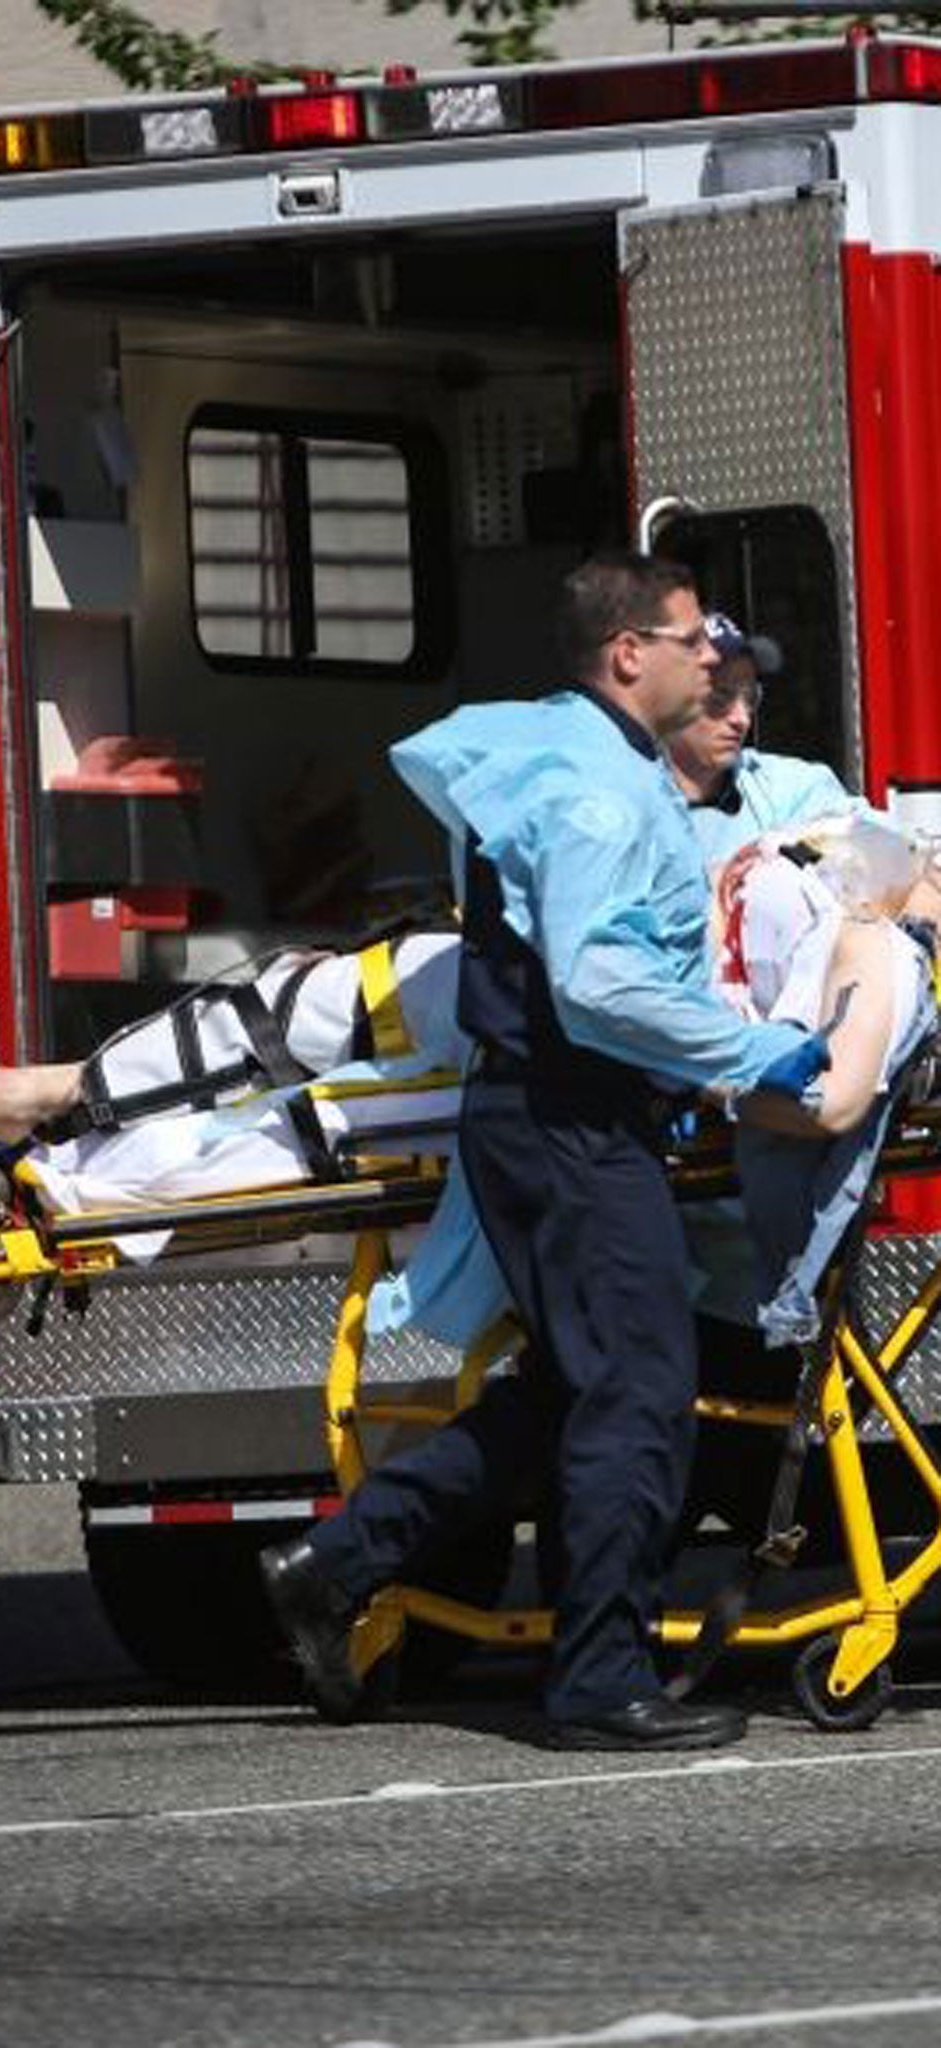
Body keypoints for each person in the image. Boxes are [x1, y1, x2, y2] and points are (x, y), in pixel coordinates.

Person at [257, 551, 826, 1752]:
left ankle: (337, 1559)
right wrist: (745, 1048)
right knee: (639, 1389)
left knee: (574, 1389)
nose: (708, 659)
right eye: (690, 639)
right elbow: (600, 979)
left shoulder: (546, 752)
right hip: (573, 1118)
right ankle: (594, 1678)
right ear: (630, 654)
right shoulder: (601, 794)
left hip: (544, 1115)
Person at [667, 612, 856, 863]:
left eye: (751, 699)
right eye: (720, 697)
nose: (742, 718)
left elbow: (874, 845)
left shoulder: (789, 788)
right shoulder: (619, 800)